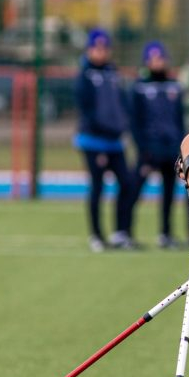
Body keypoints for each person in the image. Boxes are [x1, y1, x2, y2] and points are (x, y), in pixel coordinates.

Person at [73, 28, 136, 252]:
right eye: (96, 47)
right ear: (89, 49)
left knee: (127, 183)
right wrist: (105, 128)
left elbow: (122, 104)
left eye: (104, 47)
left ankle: (121, 233)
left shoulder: (113, 73)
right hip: (94, 141)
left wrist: (124, 125)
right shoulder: (84, 74)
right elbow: (86, 109)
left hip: (115, 141)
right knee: (97, 187)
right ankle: (96, 236)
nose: (101, 52)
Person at [127, 40, 187, 248]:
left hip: (170, 149)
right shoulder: (139, 87)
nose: (157, 62)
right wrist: (142, 147)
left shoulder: (174, 86)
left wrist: (181, 146)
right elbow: (134, 121)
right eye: (152, 58)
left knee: (169, 193)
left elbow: (179, 120)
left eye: (160, 57)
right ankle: (125, 232)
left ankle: (166, 234)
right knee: (134, 190)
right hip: (148, 150)